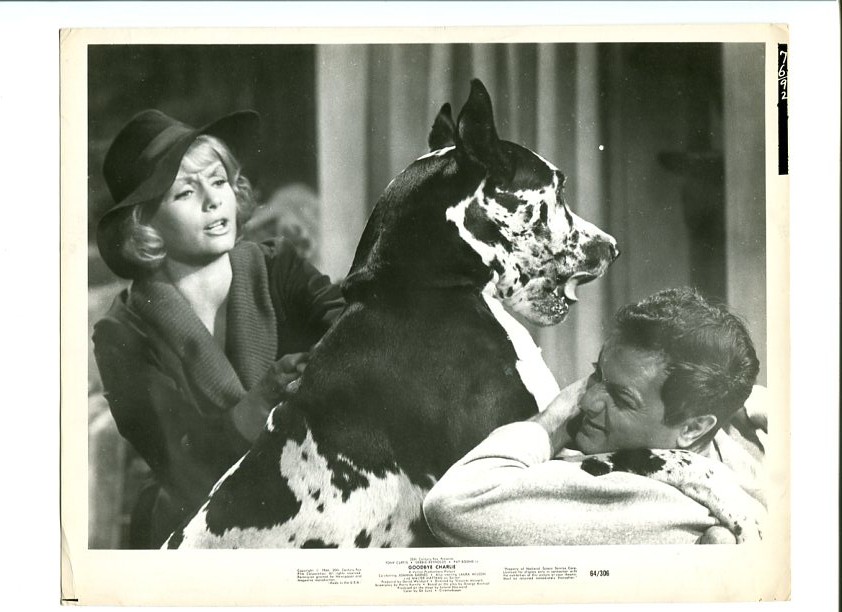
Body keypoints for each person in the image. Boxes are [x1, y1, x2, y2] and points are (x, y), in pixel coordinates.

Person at [92, 109, 344, 548]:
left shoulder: (280, 266)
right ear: (144, 225)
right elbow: (182, 466)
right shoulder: (121, 334)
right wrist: (261, 401)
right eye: (186, 191)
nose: (213, 200)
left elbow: (355, 332)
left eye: (219, 180)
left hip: (316, 499)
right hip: (195, 524)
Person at [422, 288, 767, 546]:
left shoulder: (631, 498)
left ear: (693, 427)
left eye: (620, 397)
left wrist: (555, 418)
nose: (586, 400)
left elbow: (453, 503)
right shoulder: (750, 440)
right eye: (595, 375)